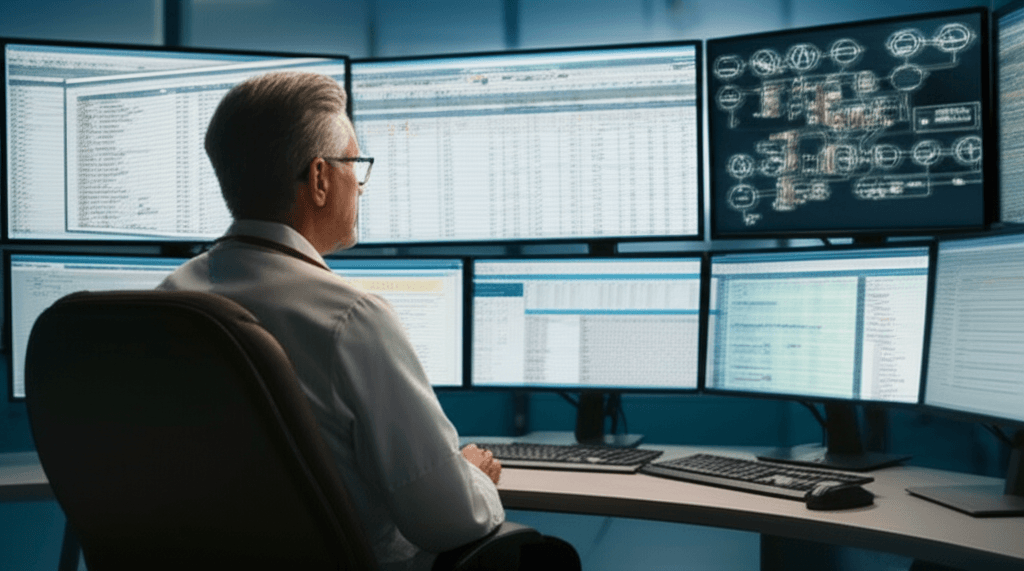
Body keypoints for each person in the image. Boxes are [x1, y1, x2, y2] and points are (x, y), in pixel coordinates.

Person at [158, 70, 504, 571]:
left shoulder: (169, 299)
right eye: (354, 166)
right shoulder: (351, 318)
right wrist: (471, 477)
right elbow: (448, 520)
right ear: (319, 179)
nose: (360, 188)